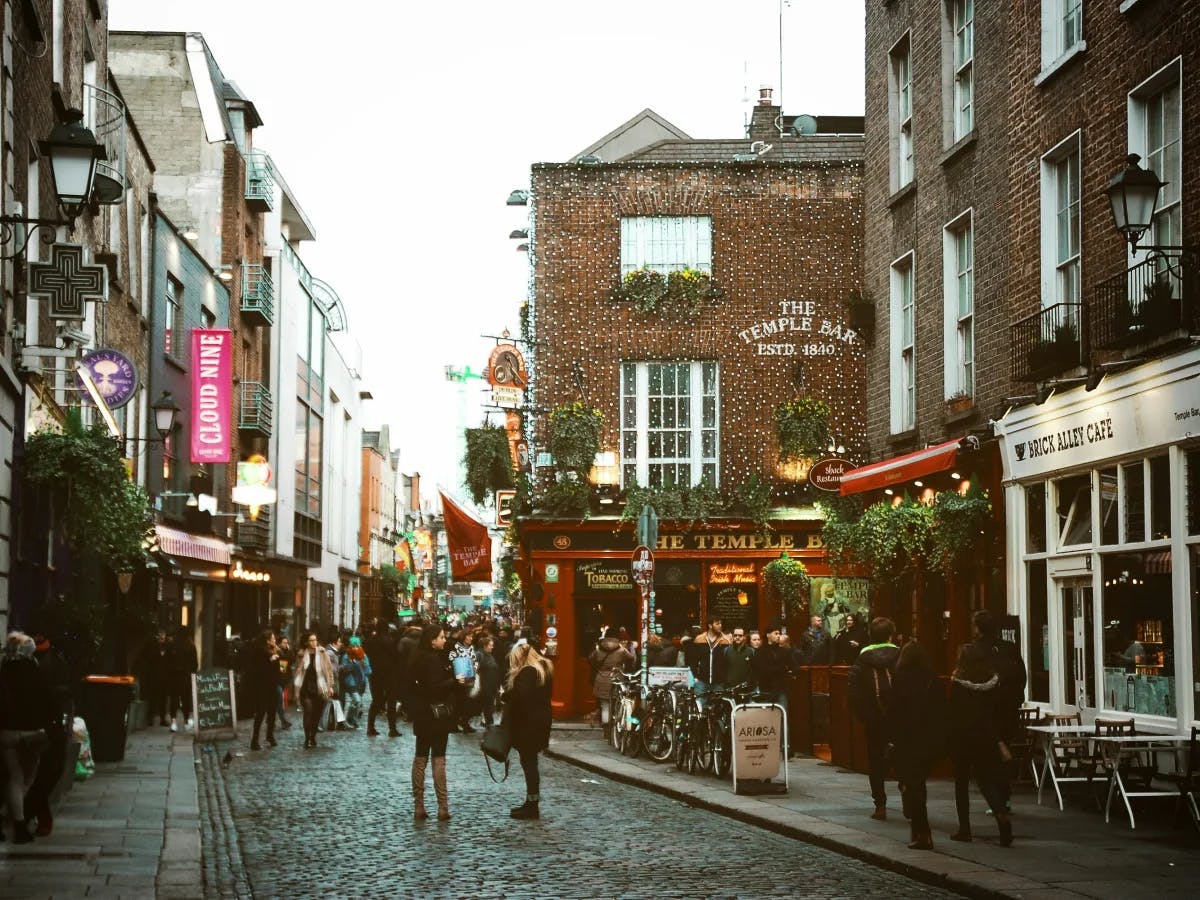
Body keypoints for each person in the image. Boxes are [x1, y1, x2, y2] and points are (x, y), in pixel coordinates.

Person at [885, 641, 946, 850]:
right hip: (928, 739)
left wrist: (892, 737)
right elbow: (941, 711)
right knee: (918, 783)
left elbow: (893, 712)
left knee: (914, 786)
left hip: (907, 739)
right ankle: (919, 828)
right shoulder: (933, 680)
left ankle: (922, 832)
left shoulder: (900, 679)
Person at [949, 642, 1012, 846]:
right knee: (986, 781)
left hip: (963, 738)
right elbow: (996, 712)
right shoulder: (993, 683)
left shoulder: (958, 683)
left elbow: (953, 713)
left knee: (961, 783)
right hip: (986, 737)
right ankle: (1001, 815)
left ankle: (964, 829)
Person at [0, 632, 54, 843]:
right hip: (32, 731)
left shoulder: (3, 671)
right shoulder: (35, 671)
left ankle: (11, 818)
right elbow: (48, 702)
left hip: (6, 732)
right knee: (28, 778)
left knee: (13, 777)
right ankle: (19, 824)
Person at [848, 616, 900, 820]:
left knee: (875, 760)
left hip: (873, 717)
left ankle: (880, 805)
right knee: (902, 755)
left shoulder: (862, 658)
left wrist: (863, 715)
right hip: (897, 716)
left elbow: (853, 691)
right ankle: (907, 792)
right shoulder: (900, 655)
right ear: (890, 635)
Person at [25, 630, 71, 836]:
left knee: (40, 774)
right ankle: (30, 814)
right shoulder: (40, 665)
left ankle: (30, 814)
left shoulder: (49, 664)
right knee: (44, 773)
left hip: (44, 725)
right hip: (42, 726)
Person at [409, 624, 457, 821]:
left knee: (420, 758)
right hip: (437, 715)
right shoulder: (434, 660)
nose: (444, 640)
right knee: (439, 759)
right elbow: (435, 687)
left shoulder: (416, 659)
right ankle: (443, 806)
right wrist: (455, 681)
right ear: (432, 640)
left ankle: (418, 805)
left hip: (421, 714)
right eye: (441, 637)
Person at [506, 642, 554, 820]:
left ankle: (532, 805)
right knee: (530, 762)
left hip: (527, 724)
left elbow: (521, 698)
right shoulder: (544, 669)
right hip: (540, 721)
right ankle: (531, 801)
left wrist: (506, 695)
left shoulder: (527, 672)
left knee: (529, 764)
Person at [293, 631, 336, 749]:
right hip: (305, 687)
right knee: (308, 711)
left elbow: (329, 670)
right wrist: (295, 688)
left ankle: (313, 736)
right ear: (306, 642)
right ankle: (307, 738)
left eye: (315, 640)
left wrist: (330, 686)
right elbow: (297, 671)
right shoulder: (301, 654)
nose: (314, 642)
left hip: (320, 687)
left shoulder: (322, 652)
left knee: (317, 714)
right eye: (311, 640)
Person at [589, 629, 634, 732]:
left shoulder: (598, 649)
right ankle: (615, 727)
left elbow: (590, 658)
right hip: (616, 678)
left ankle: (606, 729)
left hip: (601, 678)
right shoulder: (621, 649)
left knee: (604, 705)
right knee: (616, 702)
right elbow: (632, 658)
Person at [244, 631, 280, 751]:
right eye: (273, 639)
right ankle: (255, 740)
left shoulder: (275, 650)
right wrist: (270, 659)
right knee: (261, 712)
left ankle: (270, 736)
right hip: (262, 687)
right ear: (267, 640)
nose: (275, 641)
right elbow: (258, 669)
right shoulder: (260, 651)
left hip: (272, 686)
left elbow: (283, 664)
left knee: (272, 712)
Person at [365, 622, 400, 737]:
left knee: (376, 700)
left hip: (375, 674)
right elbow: (396, 656)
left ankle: (370, 727)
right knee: (391, 701)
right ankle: (392, 728)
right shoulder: (390, 641)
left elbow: (367, 655)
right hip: (389, 674)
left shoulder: (370, 641)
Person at [750, 622, 791, 710]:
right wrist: (782, 669)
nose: (778, 636)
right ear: (768, 635)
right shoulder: (760, 651)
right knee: (768, 719)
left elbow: (793, 665)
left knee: (782, 715)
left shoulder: (783, 651)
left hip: (781, 689)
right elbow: (762, 670)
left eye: (779, 634)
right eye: (776, 633)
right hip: (766, 690)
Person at [164, 627, 198, 732]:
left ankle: (174, 723)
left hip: (174, 676)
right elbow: (195, 664)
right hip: (185, 676)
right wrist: (191, 672)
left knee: (174, 699)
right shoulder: (191, 646)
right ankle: (187, 721)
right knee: (185, 699)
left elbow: (167, 662)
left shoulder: (172, 646)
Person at [686, 615, 729, 698]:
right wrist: (695, 677)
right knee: (699, 706)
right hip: (701, 681)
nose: (720, 625)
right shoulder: (699, 639)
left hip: (719, 682)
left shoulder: (725, 640)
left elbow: (728, 661)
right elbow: (693, 660)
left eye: (721, 623)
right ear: (710, 625)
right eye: (717, 624)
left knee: (717, 707)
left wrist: (724, 679)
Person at [447, 629, 479, 733]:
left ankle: (465, 723)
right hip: (459, 679)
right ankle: (454, 724)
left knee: (468, 703)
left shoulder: (471, 648)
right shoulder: (456, 647)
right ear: (463, 636)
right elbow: (452, 660)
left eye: (471, 636)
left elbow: (475, 660)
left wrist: (475, 666)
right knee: (458, 702)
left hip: (470, 678)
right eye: (468, 636)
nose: (470, 638)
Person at [137, 630, 170, 726]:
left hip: (164, 677)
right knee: (153, 698)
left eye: (163, 636)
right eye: (160, 636)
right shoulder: (151, 646)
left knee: (163, 698)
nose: (161, 638)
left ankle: (163, 718)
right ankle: (150, 718)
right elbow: (146, 659)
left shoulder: (167, 646)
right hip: (153, 676)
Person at [339, 637, 369, 730]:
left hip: (360, 682)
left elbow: (368, 670)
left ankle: (353, 720)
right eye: (353, 646)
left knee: (357, 702)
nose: (355, 648)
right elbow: (344, 669)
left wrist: (364, 664)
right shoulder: (346, 656)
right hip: (351, 682)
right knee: (356, 700)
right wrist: (353, 664)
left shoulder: (363, 655)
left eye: (357, 645)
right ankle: (348, 719)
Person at [476, 634, 501, 727]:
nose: (492, 647)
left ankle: (488, 722)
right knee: (487, 705)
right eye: (490, 645)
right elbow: (475, 669)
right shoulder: (479, 655)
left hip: (491, 685)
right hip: (484, 685)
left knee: (489, 705)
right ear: (484, 646)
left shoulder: (489, 655)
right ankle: (489, 723)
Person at [274, 635, 293, 731]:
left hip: (281, 681)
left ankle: (273, 721)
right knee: (279, 701)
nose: (286, 644)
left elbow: (291, 659)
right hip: (276, 681)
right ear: (279, 643)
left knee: (276, 703)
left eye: (287, 643)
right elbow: (283, 669)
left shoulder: (285, 652)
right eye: (284, 643)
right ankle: (283, 722)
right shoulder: (278, 652)